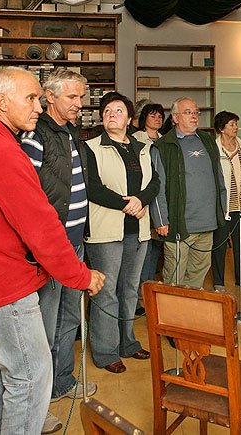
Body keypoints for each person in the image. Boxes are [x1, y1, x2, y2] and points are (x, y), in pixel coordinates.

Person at [0, 66, 105, 435]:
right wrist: (81, 275)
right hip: (4, 286)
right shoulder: (3, 150)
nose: (38, 106)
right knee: (32, 377)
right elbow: (40, 226)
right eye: (31, 98)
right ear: (2, 102)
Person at [20, 69, 94, 433]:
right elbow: (27, 194)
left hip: (75, 242)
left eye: (81, 97)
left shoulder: (69, 131)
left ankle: (63, 379)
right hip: (51, 247)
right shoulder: (36, 136)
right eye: (72, 98)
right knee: (45, 325)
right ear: (50, 97)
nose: (79, 104)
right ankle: (42, 398)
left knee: (70, 319)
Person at [84, 92, 159, 374]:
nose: (111, 114)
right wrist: (128, 203)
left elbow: (155, 182)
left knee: (129, 290)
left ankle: (128, 343)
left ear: (129, 118)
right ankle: (106, 351)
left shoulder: (143, 147)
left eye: (118, 110)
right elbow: (93, 187)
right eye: (106, 111)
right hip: (106, 231)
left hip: (137, 230)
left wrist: (142, 200)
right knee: (106, 293)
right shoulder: (90, 147)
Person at [151, 97, 227, 288]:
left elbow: (218, 177)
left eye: (196, 112)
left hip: (207, 223)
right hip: (179, 224)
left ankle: (190, 314)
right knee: (174, 278)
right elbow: (157, 186)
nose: (194, 117)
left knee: (198, 274)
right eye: (188, 112)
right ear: (175, 117)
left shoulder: (208, 142)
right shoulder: (163, 146)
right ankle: (171, 317)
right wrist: (161, 220)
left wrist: (223, 207)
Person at [211, 111, 241, 291]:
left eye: (236, 124)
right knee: (219, 245)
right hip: (224, 205)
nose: (235, 127)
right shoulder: (214, 148)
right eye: (231, 124)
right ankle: (219, 281)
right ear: (221, 129)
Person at [132, 101, 166, 315]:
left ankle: (148, 291)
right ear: (144, 118)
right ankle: (135, 296)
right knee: (141, 251)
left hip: (161, 197)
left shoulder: (165, 140)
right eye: (153, 115)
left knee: (155, 249)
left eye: (160, 116)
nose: (157, 119)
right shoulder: (136, 139)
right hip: (144, 197)